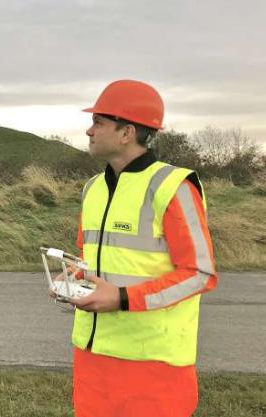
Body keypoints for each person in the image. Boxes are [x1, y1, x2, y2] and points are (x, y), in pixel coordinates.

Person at [62, 80, 218, 417]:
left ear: (126, 132)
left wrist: (120, 298)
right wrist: (75, 279)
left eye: (98, 123)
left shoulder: (173, 187)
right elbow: (88, 260)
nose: (89, 131)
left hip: (152, 364)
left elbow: (199, 274)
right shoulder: (93, 189)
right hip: (92, 356)